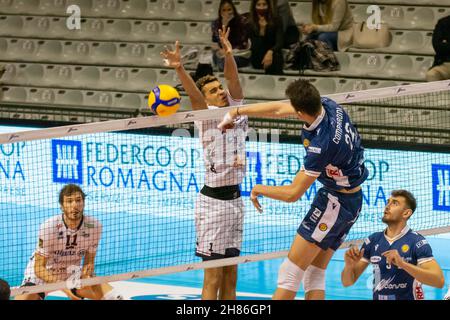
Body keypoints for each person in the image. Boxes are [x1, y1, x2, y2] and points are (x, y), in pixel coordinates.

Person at [218, 78, 368, 300]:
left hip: (335, 204)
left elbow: (293, 194)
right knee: (314, 273)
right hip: (350, 200)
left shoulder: (322, 146)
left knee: (289, 273)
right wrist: (236, 111)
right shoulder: (329, 105)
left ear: (299, 112)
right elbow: (279, 108)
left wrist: (259, 188)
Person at [161, 27, 247, 300]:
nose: (220, 92)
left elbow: (233, 80)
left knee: (231, 274)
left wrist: (229, 53)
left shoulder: (236, 108)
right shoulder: (206, 117)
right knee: (213, 277)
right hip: (213, 205)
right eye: (213, 90)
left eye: (219, 87)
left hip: (236, 202)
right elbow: (195, 98)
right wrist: (179, 69)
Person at [15, 184, 124, 300]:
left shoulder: (94, 226)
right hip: (44, 272)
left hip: (71, 272)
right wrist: (65, 288)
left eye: (78, 200)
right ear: (62, 206)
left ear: (84, 203)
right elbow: (39, 268)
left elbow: (89, 262)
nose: (75, 205)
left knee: (112, 295)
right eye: (69, 201)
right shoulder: (49, 227)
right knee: (23, 298)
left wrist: (87, 272)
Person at [341, 190, 445, 300]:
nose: (387, 206)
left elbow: (439, 281)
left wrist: (402, 264)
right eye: (387, 202)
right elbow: (347, 282)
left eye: (394, 203)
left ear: (406, 213)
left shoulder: (417, 242)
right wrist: (349, 266)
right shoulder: (372, 240)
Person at [246, 0, 284, 74]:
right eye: (259, 5)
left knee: (275, 58)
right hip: (257, 56)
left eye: (264, 4)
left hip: (273, 54)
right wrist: (262, 29)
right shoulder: (249, 21)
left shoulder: (277, 19)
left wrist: (270, 52)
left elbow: (280, 42)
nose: (261, 7)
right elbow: (255, 44)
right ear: (254, 6)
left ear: (269, 6)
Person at [211, 0, 251, 71]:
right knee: (218, 58)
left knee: (225, 62)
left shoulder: (242, 22)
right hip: (222, 54)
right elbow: (215, 42)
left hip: (239, 53)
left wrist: (229, 51)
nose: (227, 13)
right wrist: (224, 26)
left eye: (229, 9)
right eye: (224, 10)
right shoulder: (215, 23)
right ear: (220, 12)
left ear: (233, 10)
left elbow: (243, 43)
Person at [426, 15, 450, 82]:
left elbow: (443, 46)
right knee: (432, 74)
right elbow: (437, 46)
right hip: (447, 63)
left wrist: (446, 43)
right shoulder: (443, 23)